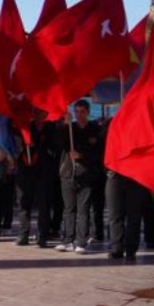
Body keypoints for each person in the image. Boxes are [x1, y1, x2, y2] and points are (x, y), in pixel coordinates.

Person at [56, 100, 102, 254]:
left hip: (87, 174)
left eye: (82, 111)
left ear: (88, 112)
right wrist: (64, 123)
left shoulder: (95, 129)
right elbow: (59, 143)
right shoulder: (70, 128)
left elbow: (99, 153)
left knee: (84, 209)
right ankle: (68, 240)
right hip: (68, 174)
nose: (79, 115)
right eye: (77, 112)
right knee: (69, 209)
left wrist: (82, 156)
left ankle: (81, 241)